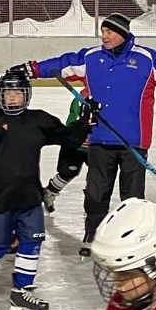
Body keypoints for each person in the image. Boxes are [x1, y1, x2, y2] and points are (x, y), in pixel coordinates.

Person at [9, 12, 156, 258]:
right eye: (102, 31)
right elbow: (62, 63)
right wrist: (31, 70)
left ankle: (130, 238)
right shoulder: (91, 58)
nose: (104, 36)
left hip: (134, 141)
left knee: (132, 199)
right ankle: (93, 234)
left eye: (109, 31)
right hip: (99, 138)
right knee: (96, 194)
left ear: (122, 33)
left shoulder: (146, 59)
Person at [0, 69, 95, 310]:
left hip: (30, 198)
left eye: (18, 93)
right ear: (0, 95)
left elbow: (66, 137)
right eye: (8, 93)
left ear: (27, 95)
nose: (12, 98)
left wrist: (84, 123)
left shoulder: (38, 120)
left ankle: (21, 293)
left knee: (32, 243)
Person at [41, 84, 92, 215]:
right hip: (76, 145)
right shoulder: (81, 98)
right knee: (68, 172)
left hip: (98, 146)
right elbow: (72, 122)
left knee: (98, 175)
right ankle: (50, 191)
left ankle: (93, 202)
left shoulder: (111, 96)